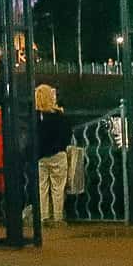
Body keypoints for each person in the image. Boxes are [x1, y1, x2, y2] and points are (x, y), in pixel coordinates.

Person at [33, 84, 73, 226]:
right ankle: (58, 217)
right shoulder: (59, 116)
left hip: (41, 157)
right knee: (58, 187)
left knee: (42, 187)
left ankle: (43, 217)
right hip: (58, 155)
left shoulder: (36, 117)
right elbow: (67, 134)